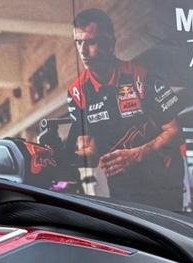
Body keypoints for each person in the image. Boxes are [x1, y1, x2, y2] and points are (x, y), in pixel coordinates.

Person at [65, 8, 185, 210]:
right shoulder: (76, 91)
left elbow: (175, 131)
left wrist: (137, 154)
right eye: (79, 42)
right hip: (122, 188)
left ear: (110, 44)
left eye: (91, 42)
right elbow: (89, 149)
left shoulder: (142, 76)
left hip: (163, 182)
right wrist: (78, 156)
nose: (83, 51)